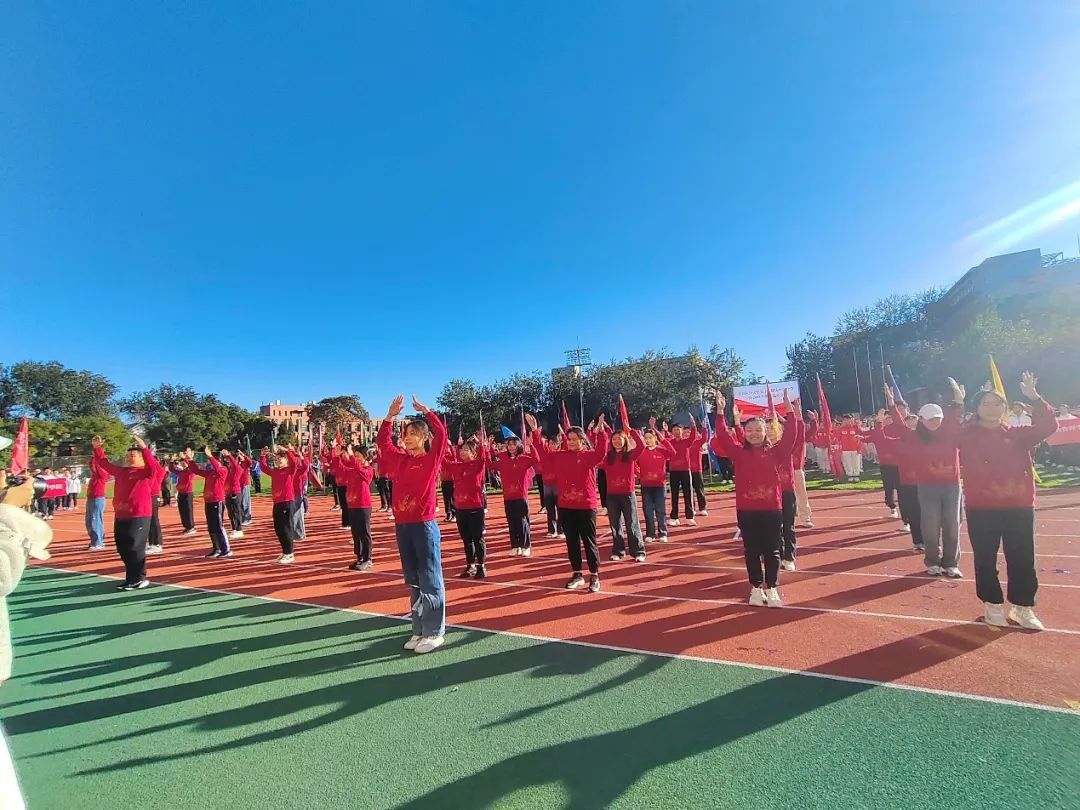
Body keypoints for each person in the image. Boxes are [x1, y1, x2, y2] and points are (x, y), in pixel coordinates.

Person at [959, 372, 1057, 630]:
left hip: (1019, 506)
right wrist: (957, 404)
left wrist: (1034, 397)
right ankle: (992, 605)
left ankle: (1022, 607)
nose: (992, 408)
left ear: (1005, 408)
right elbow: (945, 434)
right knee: (985, 558)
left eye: (997, 403)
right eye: (985, 403)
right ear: (976, 408)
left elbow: (1048, 427)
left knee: (1022, 557)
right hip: (982, 508)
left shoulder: (1018, 434)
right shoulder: (967, 435)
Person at [711, 390, 801, 608]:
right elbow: (722, 435)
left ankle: (772, 588)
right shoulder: (738, 453)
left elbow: (791, 434)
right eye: (749, 430)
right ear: (744, 433)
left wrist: (790, 411)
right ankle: (756, 587)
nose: (754, 434)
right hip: (747, 511)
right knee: (752, 551)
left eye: (758, 430)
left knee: (772, 551)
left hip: (772, 509)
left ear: (765, 432)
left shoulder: (777, 452)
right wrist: (721, 412)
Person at [377, 395, 448, 654]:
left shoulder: (431, 459)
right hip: (403, 526)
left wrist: (427, 412)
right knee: (414, 580)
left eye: (413, 434)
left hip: (424, 526)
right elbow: (383, 443)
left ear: (425, 438)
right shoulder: (401, 460)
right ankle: (419, 629)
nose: (407, 438)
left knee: (429, 577)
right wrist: (389, 416)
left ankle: (434, 632)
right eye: (405, 434)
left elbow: (442, 435)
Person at [887, 380, 964, 577]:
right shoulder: (915, 437)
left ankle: (951, 563)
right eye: (929, 420)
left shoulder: (949, 433)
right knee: (930, 525)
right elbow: (899, 424)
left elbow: (955, 414)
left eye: (937, 419)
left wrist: (958, 398)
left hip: (951, 486)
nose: (934, 423)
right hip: (927, 487)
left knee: (952, 524)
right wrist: (891, 405)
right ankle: (932, 561)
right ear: (921, 419)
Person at [528, 411, 609, 593]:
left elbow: (601, 452)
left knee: (589, 541)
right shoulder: (560, 456)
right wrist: (534, 431)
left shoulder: (589, 456)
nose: (571, 442)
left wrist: (601, 432)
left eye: (575, 439)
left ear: (582, 440)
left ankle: (594, 575)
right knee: (572, 542)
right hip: (565, 506)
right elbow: (543, 451)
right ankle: (577, 573)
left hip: (586, 506)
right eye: (569, 439)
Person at [90, 434, 163, 590]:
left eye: (133, 456)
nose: (129, 458)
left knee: (134, 548)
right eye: (128, 456)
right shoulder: (122, 472)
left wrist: (144, 448)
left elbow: (155, 466)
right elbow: (103, 463)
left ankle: (139, 578)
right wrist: (97, 448)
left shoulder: (148, 472)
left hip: (139, 515)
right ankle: (130, 578)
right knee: (122, 548)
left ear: (142, 458)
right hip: (121, 514)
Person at [487, 431, 539, 558]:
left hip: (521, 496)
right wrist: (487, 448)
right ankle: (515, 546)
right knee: (512, 521)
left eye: (514, 444)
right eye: (509, 444)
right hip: (508, 497)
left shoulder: (523, 459)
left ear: (518, 446)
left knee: (522, 521)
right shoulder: (503, 458)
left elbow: (536, 459)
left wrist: (531, 445)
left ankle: (525, 546)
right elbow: (489, 464)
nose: (511, 447)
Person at [600, 425, 647, 562]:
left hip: (627, 495)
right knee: (615, 524)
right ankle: (618, 551)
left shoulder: (630, 455)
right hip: (612, 496)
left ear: (625, 440)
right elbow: (596, 456)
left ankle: (638, 551)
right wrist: (597, 433)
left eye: (619, 439)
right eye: (614, 439)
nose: (616, 441)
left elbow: (642, 446)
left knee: (632, 523)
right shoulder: (608, 457)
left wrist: (631, 430)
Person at [443, 438, 488, 578]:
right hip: (460, 509)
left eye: (466, 450)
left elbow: (483, 457)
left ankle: (481, 566)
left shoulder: (478, 465)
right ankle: (470, 565)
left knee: (478, 538)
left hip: (475, 508)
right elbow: (442, 461)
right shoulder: (456, 466)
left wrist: (481, 444)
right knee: (466, 539)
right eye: (462, 449)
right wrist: (439, 444)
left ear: (474, 453)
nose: (463, 451)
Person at [188, 448, 232, 558]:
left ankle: (226, 549)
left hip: (217, 501)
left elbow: (217, 467)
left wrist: (210, 456)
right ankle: (216, 548)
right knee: (211, 526)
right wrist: (190, 459)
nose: (209, 463)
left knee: (219, 526)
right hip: (208, 501)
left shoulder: (223, 470)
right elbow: (196, 470)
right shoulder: (210, 473)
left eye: (211, 461)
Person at [338, 445, 376, 570]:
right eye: (355, 456)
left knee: (364, 532)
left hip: (363, 505)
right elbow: (342, 468)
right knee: (356, 533)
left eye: (358, 456)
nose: (356, 458)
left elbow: (362, 472)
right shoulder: (354, 469)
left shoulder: (368, 469)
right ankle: (359, 557)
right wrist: (338, 456)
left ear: (365, 457)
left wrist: (351, 457)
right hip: (352, 505)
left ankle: (368, 559)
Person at [637, 421, 675, 543]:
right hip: (646, 487)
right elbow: (633, 464)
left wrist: (661, 437)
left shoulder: (661, 450)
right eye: (646, 438)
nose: (648, 440)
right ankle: (650, 533)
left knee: (660, 510)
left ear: (655, 438)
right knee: (648, 511)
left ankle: (663, 532)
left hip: (659, 486)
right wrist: (638, 474)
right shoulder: (641, 452)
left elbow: (673, 452)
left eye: (650, 438)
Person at [260, 447, 299, 563]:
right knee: (279, 529)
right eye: (276, 459)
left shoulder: (289, 470)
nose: (278, 461)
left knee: (286, 528)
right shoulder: (275, 471)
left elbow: (294, 462)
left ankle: (289, 553)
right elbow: (264, 468)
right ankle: (285, 551)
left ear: (286, 460)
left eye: (280, 459)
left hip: (287, 502)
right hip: (277, 503)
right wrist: (263, 456)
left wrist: (287, 451)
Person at [666, 421, 698, 526]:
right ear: (672, 432)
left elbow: (693, 437)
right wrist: (654, 428)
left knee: (688, 494)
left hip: (685, 470)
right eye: (674, 430)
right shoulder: (670, 442)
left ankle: (689, 517)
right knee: (674, 494)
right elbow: (662, 440)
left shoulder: (686, 442)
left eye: (678, 430)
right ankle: (674, 517)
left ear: (682, 431)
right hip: (674, 471)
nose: (676, 432)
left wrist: (693, 425)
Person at [85, 453, 111, 550]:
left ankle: (98, 542)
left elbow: (97, 465)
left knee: (95, 520)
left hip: (97, 499)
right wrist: (93, 456)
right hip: (91, 498)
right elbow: (91, 464)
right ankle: (95, 540)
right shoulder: (95, 475)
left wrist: (98, 456)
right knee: (89, 521)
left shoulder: (102, 474)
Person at [170, 452, 198, 536]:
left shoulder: (190, 472)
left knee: (188, 511)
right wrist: (171, 461)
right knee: (182, 511)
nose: (182, 464)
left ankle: (191, 527)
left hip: (187, 493)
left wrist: (186, 458)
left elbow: (193, 467)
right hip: (181, 493)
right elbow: (172, 469)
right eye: (181, 463)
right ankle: (186, 526)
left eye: (184, 463)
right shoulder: (181, 472)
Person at [146, 456, 168, 555]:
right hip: (148, 497)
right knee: (149, 521)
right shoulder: (150, 471)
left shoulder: (159, 471)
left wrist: (149, 457)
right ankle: (151, 542)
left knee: (154, 521)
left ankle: (157, 543)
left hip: (154, 497)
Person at [222, 450, 245, 539]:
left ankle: (239, 530)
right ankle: (234, 529)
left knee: (236, 511)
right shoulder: (229, 469)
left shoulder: (238, 468)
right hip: (228, 493)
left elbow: (235, 464)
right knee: (231, 512)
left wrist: (229, 455)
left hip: (235, 492)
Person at [688, 423, 709, 516]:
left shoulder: (698, 442)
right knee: (689, 491)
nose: (687, 434)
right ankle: (692, 508)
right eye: (685, 433)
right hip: (687, 470)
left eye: (688, 432)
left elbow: (705, 438)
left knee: (699, 489)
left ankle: (702, 508)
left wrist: (704, 428)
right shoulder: (684, 443)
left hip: (697, 469)